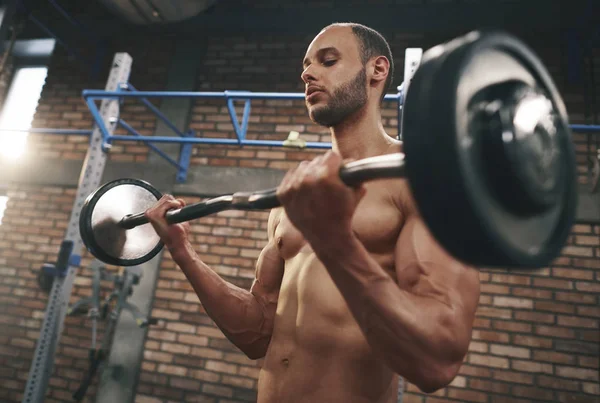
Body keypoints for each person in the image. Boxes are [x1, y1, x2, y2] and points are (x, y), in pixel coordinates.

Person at [146, 22, 481, 403]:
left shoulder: (418, 177)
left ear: (378, 69)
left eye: (328, 60)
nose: (307, 73)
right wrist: (182, 252)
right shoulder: (303, 191)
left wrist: (333, 239)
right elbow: (258, 333)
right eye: (306, 65)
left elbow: (435, 362)